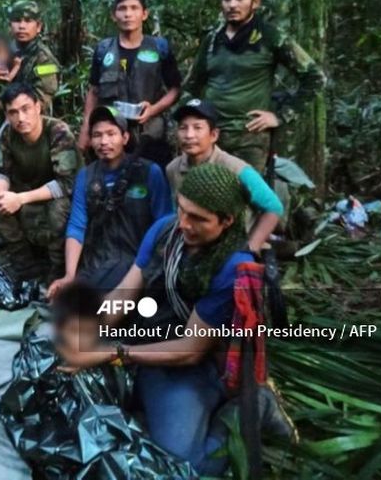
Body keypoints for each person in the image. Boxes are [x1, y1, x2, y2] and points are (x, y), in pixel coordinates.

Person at [57, 164, 295, 476]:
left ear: (227, 221)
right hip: (147, 345)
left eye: (198, 218)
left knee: (183, 465)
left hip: (192, 366)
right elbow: (124, 293)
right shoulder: (163, 231)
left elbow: (190, 349)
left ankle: (252, 405)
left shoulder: (231, 267)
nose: (184, 223)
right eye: (182, 209)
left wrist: (112, 353)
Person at [183, 0, 326, 172]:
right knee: (205, 195)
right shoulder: (212, 40)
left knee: (246, 198)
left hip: (249, 138)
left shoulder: (271, 37)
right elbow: (191, 86)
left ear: (255, 2)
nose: (232, 4)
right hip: (211, 138)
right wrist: (192, 125)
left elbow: (315, 78)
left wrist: (280, 116)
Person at [48, 106, 172, 297]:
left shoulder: (149, 172)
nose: (104, 141)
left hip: (138, 263)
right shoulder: (86, 176)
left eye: (111, 134)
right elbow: (77, 226)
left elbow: (164, 224)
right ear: (90, 140)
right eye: (97, 135)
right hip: (97, 262)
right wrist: (69, 275)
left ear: (125, 138)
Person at [0, 83, 80, 283]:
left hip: (56, 196)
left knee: (59, 208)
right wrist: (2, 195)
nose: (20, 118)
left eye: (25, 109)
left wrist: (20, 199)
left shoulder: (58, 132)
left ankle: (58, 268)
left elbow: (67, 183)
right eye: (13, 112)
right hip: (24, 191)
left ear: (37, 107)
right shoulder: (8, 133)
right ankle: (24, 264)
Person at [78, 0, 181, 167]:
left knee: (150, 183)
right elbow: (94, 91)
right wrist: (86, 128)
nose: (128, 14)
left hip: (149, 134)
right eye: (122, 9)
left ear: (144, 14)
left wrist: (154, 109)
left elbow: (175, 89)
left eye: (134, 8)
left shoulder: (159, 48)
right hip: (111, 136)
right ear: (114, 15)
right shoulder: (104, 50)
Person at [166, 99, 283, 253]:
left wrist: (251, 247)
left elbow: (273, 207)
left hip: (231, 247)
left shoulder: (236, 168)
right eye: (183, 128)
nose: (189, 135)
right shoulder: (173, 168)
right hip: (193, 243)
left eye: (197, 127)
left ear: (213, 135)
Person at [0, 0, 60, 114]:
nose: (22, 26)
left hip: (33, 124)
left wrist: (3, 105)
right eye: (17, 21)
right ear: (10, 25)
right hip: (6, 123)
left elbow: (41, 101)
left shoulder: (45, 60)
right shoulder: (3, 51)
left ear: (38, 27)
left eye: (28, 21)